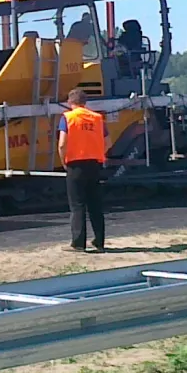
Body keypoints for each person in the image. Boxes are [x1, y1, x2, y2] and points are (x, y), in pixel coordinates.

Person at [58, 87, 108, 252]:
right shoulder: (97, 118)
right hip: (94, 164)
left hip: (75, 164)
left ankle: (79, 243)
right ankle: (99, 242)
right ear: (85, 102)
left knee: (77, 205)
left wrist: (64, 161)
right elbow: (107, 141)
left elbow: (62, 144)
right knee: (95, 204)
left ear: (69, 102)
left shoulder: (68, 118)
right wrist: (99, 153)